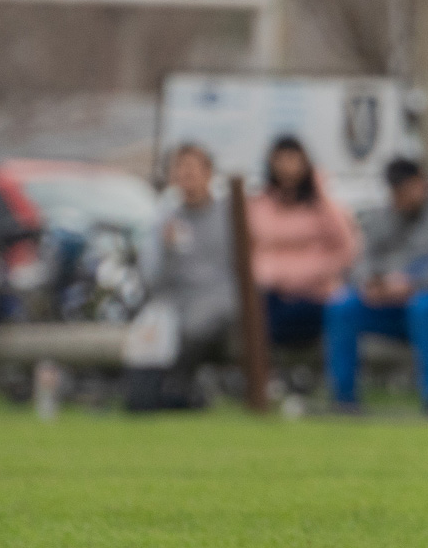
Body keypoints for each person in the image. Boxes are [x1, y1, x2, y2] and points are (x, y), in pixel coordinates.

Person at [323, 157, 428, 414]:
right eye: (395, 192)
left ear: (421, 182)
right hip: (387, 302)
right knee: (342, 304)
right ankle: (343, 398)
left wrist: (411, 283)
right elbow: (361, 260)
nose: (401, 198)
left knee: (424, 307)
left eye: (405, 190)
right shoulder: (383, 215)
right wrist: (371, 284)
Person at [127, 143, 239, 411]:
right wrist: (164, 248)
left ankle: (179, 387)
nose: (185, 175)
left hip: (218, 298)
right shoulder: (164, 218)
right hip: (173, 300)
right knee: (148, 328)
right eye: (179, 169)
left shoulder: (229, 214)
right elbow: (152, 280)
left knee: (195, 323)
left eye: (192, 168)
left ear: (209, 172)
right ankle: (147, 397)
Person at [247, 136, 360, 352]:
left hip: (315, 294)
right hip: (272, 292)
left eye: (293, 160)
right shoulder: (260, 205)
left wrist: (321, 191)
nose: (287, 168)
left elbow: (347, 249)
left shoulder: (322, 206)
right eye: (280, 160)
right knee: (256, 316)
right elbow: (251, 249)